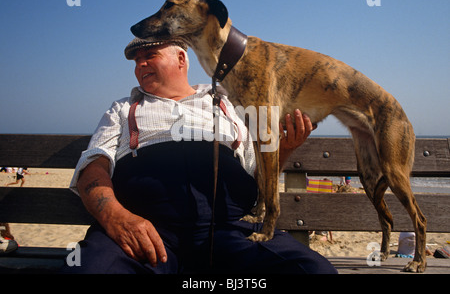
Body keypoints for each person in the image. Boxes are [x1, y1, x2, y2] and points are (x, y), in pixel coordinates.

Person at [62, 37, 337, 274]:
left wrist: (285, 147)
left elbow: (259, 174)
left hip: (229, 230)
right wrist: (116, 218)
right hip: (145, 231)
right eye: (136, 61)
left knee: (314, 271)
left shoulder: (230, 103)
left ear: (181, 59)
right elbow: (93, 167)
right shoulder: (123, 109)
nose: (139, 65)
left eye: (149, 56)